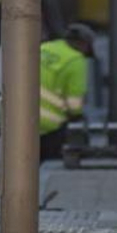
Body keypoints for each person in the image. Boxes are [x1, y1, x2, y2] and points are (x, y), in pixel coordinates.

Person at [39, 23, 95, 161]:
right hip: (44, 124)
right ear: (84, 44)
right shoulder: (75, 60)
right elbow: (74, 106)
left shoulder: (43, 48)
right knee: (51, 164)